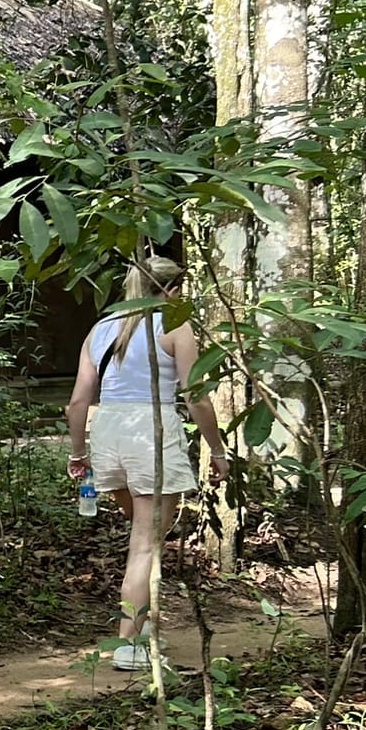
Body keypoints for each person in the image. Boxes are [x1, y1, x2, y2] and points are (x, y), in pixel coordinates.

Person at [66, 255, 228, 671]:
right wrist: (217, 449)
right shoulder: (175, 326)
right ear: (171, 289)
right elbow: (195, 396)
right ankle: (130, 643)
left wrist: (78, 453)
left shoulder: (101, 329)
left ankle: (142, 628)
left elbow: (78, 402)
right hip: (151, 429)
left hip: (108, 430)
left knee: (144, 533)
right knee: (145, 545)